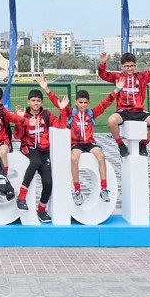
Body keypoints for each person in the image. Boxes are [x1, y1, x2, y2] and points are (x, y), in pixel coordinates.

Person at [39, 77, 119, 205]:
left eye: (85, 103)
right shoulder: (71, 112)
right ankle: (77, 190)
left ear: (88, 103)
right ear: (76, 102)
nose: (83, 105)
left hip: (90, 143)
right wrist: (46, 89)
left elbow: (106, 103)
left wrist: (117, 89)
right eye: (80, 102)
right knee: (74, 159)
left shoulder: (92, 113)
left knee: (101, 156)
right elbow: (58, 103)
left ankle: (104, 189)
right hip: (76, 144)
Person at [96, 49, 150, 157]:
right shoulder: (118, 77)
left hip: (139, 111)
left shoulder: (142, 77)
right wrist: (103, 63)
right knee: (111, 121)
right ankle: (121, 144)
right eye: (127, 66)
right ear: (122, 66)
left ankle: (143, 144)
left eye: (132, 65)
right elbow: (103, 75)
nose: (130, 68)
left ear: (135, 65)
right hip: (123, 111)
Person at [11, 89, 62, 221]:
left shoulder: (47, 114)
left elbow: (61, 125)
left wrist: (62, 110)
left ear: (42, 102)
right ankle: (21, 197)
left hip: (44, 151)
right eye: (33, 100)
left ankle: (41, 210)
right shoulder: (24, 114)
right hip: (28, 147)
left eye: (38, 101)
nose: (35, 103)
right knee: (35, 162)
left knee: (48, 182)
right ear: (28, 101)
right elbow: (16, 136)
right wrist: (20, 120)